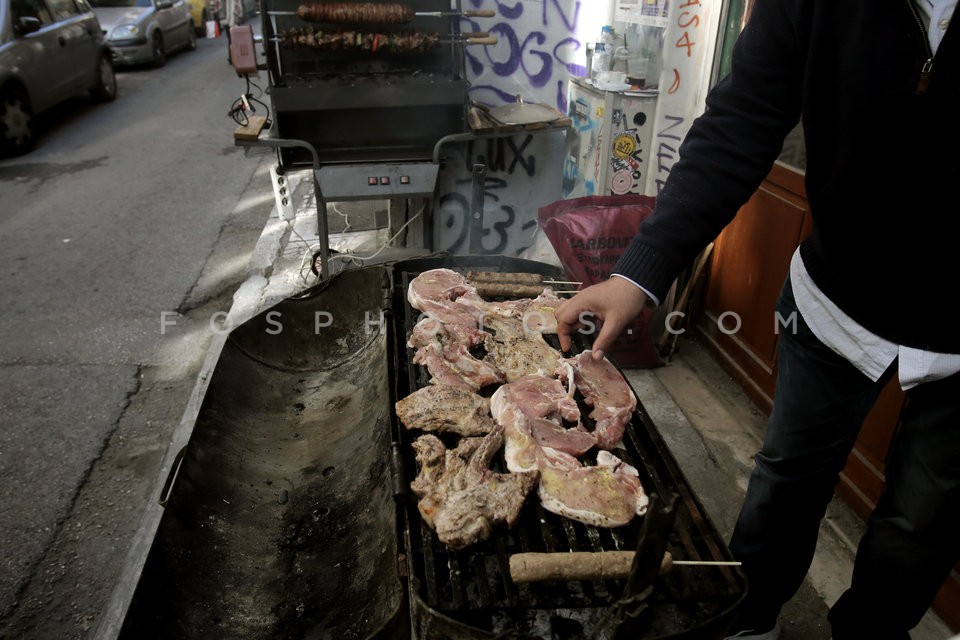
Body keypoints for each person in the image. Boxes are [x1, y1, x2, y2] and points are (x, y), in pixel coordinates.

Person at [555, 2, 958, 639]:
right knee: (785, 484)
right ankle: (747, 621)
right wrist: (640, 272)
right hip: (833, 298)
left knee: (922, 526)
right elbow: (743, 120)